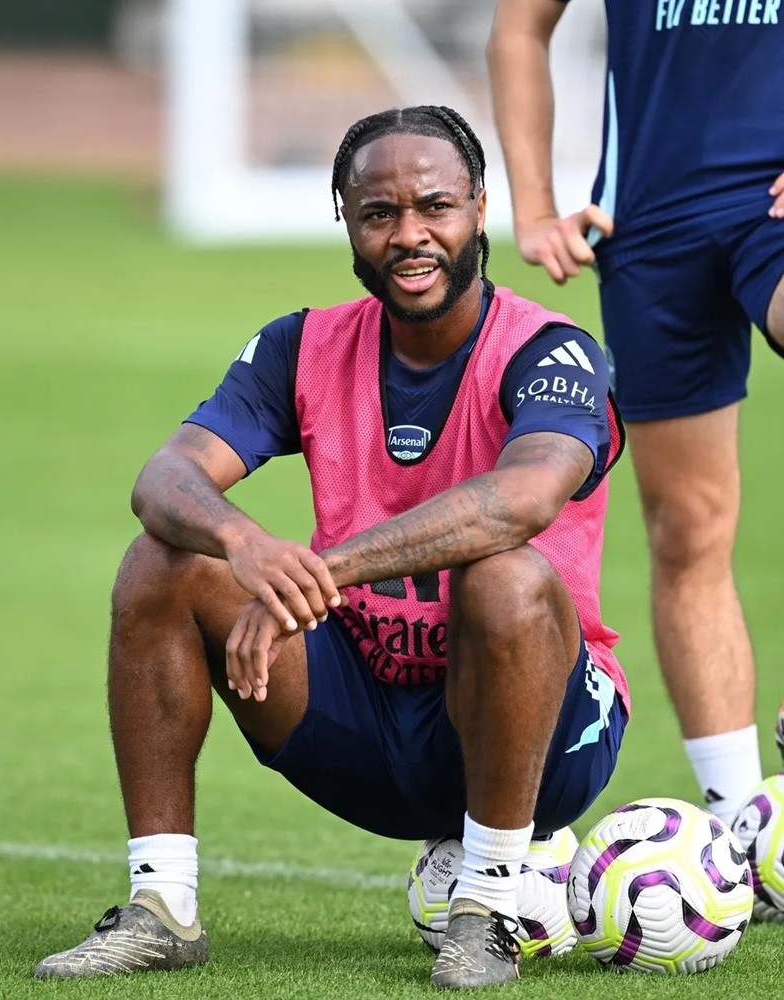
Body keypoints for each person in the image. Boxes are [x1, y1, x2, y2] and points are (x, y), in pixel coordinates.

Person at [34, 105, 628, 990]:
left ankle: (491, 902)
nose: (410, 235)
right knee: (162, 559)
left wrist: (322, 571)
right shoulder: (300, 344)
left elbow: (522, 500)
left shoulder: (552, 352)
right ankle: (161, 910)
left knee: (503, 577)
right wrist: (241, 540)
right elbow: (164, 476)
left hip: (546, 734)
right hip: (369, 710)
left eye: (435, 207)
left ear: (478, 205)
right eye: (378, 214)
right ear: (346, 220)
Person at [487, 0, 784, 824]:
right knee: (686, 525)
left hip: (773, 196)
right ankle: (740, 829)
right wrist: (536, 203)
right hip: (652, 223)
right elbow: (519, 27)